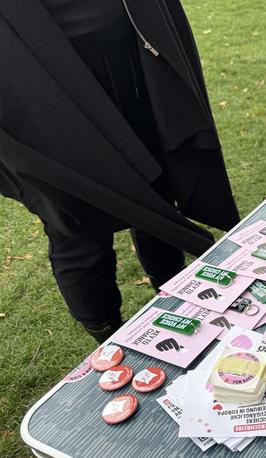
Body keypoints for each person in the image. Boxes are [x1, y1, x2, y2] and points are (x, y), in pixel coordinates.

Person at [0, 0, 240, 342]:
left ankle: (173, 295)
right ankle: (108, 337)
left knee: (156, 194)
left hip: (129, 67)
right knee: (75, 220)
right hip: (43, 90)